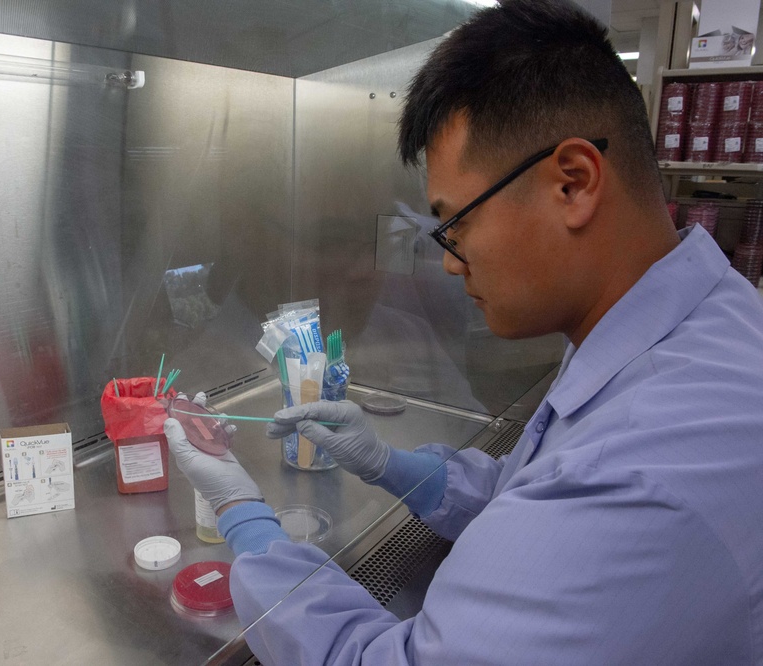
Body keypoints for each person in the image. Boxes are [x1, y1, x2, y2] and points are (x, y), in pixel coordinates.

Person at [164, 0, 763, 662]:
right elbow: (536, 487)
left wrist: (245, 518)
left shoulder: (640, 470)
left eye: (456, 223)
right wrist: (396, 468)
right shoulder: (702, 322)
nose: (449, 260)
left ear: (573, 183)